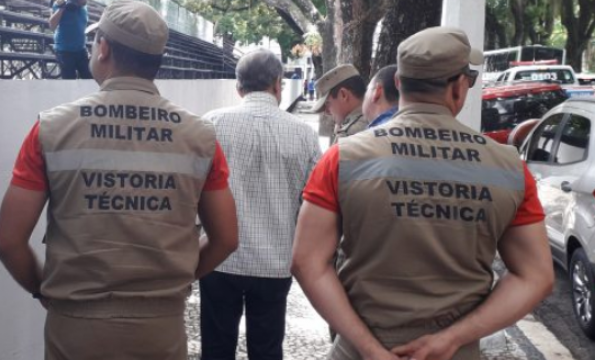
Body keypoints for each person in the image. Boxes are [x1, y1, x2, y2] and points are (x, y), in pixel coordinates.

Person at [0, 1, 239, 359]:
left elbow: (8, 241)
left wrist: (45, 291)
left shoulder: (49, 129)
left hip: (74, 330)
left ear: (103, 48)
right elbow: (227, 238)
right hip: (162, 330)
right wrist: (177, 281)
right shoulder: (200, 137)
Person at [291, 27, 553, 360]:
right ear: (459, 87)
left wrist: (370, 349)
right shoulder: (508, 167)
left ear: (398, 83)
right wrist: (451, 339)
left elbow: (306, 262)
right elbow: (537, 275)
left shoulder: (343, 158)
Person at [199, 50, 321, 360]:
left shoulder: (211, 124)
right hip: (276, 261)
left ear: (239, 88)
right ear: (278, 85)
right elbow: (313, 204)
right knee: (267, 349)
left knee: (216, 347)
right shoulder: (304, 135)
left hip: (219, 258)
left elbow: (193, 191)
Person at [310, 64, 368, 143]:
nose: (327, 111)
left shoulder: (348, 135)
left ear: (343, 95)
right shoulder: (379, 118)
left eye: (328, 103)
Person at [50, 0, 92, 79]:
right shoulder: (60, 4)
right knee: (69, 81)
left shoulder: (84, 7)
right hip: (65, 51)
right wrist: (62, 8)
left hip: (81, 49)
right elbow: (52, 26)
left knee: (89, 79)